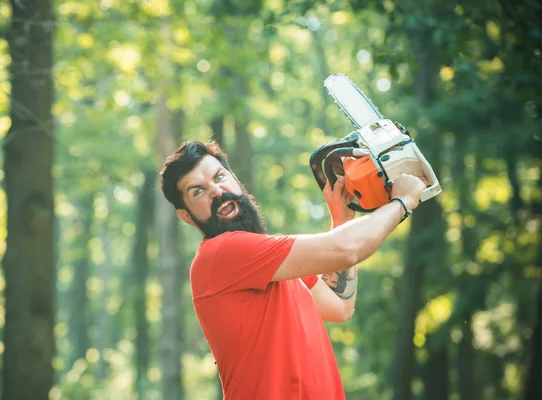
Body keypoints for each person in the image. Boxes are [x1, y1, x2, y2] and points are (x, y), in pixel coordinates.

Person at [159, 140, 426, 400]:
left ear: (235, 178)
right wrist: (402, 202)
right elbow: (346, 248)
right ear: (186, 216)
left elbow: (339, 306)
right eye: (198, 191)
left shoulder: (271, 262)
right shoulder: (220, 254)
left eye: (219, 177)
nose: (216, 191)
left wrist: (341, 220)